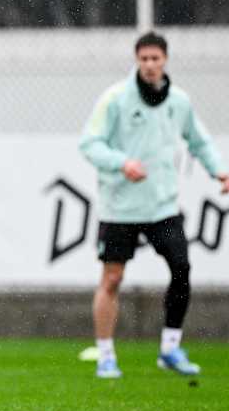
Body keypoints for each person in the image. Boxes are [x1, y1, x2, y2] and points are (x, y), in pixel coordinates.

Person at [79, 31, 229, 379]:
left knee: (182, 269)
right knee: (112, 278)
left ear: (165, 60)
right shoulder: (115, 99)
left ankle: (171, 348)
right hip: (120, 207)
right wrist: (121, 162)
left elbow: (199, 139)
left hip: (162, 206)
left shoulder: (179, 101)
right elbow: (89, 144)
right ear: (136, 60)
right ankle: (105, 355)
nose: (149, 65)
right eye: (143, 59)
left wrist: (218, 170)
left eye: (155, 59)